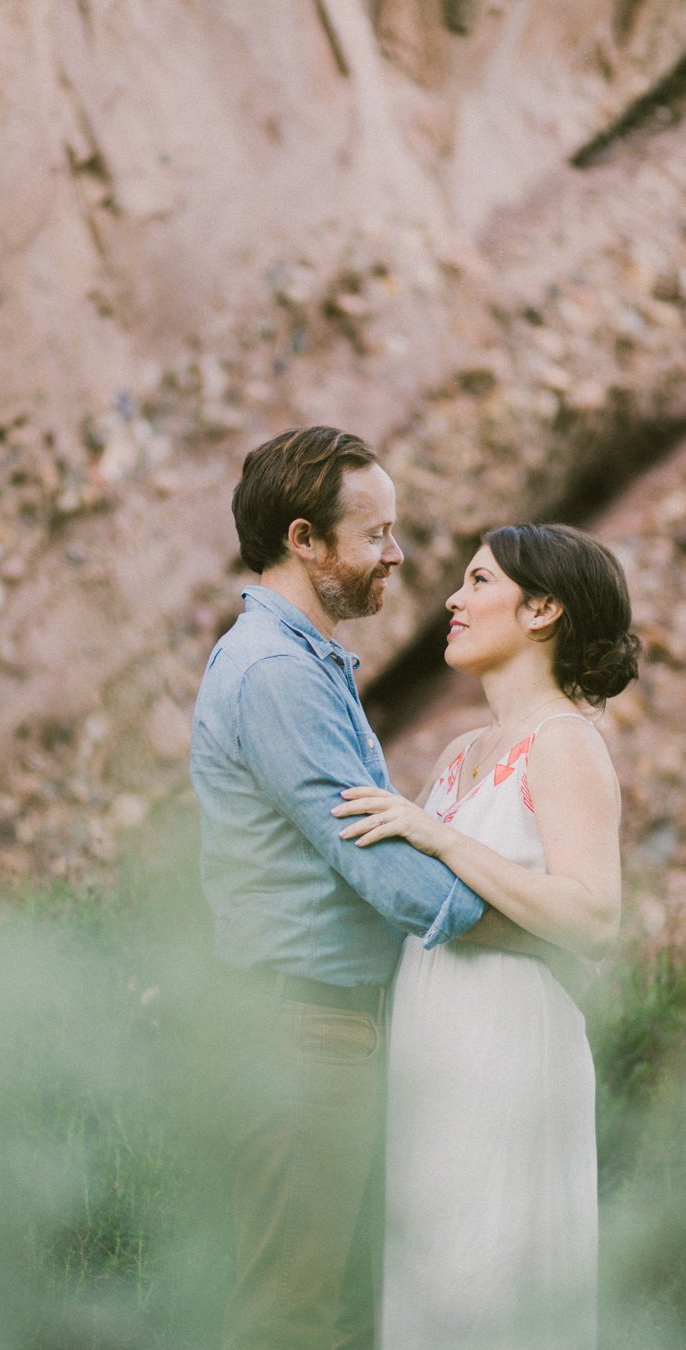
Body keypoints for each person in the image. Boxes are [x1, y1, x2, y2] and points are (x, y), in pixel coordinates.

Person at [190, 427, 549, 1350]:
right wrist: (540, 931)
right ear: (306, 541)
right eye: (377, 533)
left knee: (340, 1316)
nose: (397, 553)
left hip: (324, 1029)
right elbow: (384, 874)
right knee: (291, 1316)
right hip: (301, 1035)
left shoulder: (307, 664)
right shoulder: (276, 675)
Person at [332, 522, 640, 1350]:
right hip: (437, 1054)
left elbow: (592, 917)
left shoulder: (566, 743)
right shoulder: (464, 751)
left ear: (542, 609)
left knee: (492, 1284)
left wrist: (439, 839)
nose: (453, 601)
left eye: (477, 583)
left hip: (510, 1050)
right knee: (430, 1288)